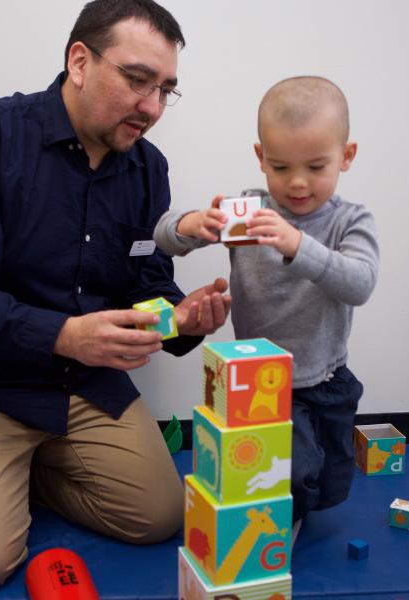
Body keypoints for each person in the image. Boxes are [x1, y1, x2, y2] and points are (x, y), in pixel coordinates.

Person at [0, 0, 231, 594]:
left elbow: (147, 284)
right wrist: (64, 335)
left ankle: (7, 473)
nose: (153, 108)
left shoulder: (147, 168)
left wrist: (183, 320)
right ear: (79, 61)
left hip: (77, 385)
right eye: (138, 81)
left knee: (159, 518)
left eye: (166, 90)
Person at [154, 76, 380, 531]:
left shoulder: (349, 220)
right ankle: (274, 525)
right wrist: (193, 224)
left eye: (316, 167)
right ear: (261, 158)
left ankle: (300, 503)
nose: (297, 183)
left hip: (325, 374)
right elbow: (163, 236)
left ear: (347, 156)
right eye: (280, 167)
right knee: (287, 473)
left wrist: (298, 245)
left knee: (331, 478)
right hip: (260, 383)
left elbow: (360, 283)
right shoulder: (249, 212)